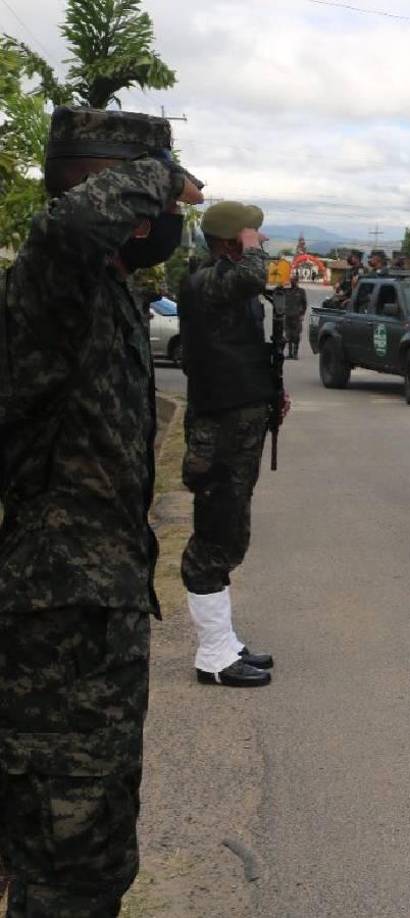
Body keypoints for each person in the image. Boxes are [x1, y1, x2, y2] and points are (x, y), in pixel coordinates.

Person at [0, 106, 203, 917]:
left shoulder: (106, 290)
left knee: (94, 845)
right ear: (118, 196)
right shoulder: (53, 282)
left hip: (90, 620)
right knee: (68, 865)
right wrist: (163, 171)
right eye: (160, 200)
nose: (173, 215)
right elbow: (67, 227)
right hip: (57, 625)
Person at [178, 201, 288, 689]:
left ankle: (224, 641)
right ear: (229, 242)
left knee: (230, 532)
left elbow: (239, 349)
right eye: (250, 234)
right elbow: (252, 275)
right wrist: (250, 249)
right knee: (215, 535)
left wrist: (269, 393)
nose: (259, 240)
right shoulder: (208, 280)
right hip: (219, 430)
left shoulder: (226, 282)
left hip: (238, 422)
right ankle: (213, 656)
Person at [283, 276, 309, 359]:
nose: (292, 282)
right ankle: (290, 353)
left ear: (297, 281)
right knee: (288, 335)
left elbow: (304, 304)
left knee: (296, 335)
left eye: (294, 281)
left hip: (297, 316)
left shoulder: (301, 291)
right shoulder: (286, 290)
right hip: (287, 315)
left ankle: (295, 354)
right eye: (291, 280)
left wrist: (302, 315)